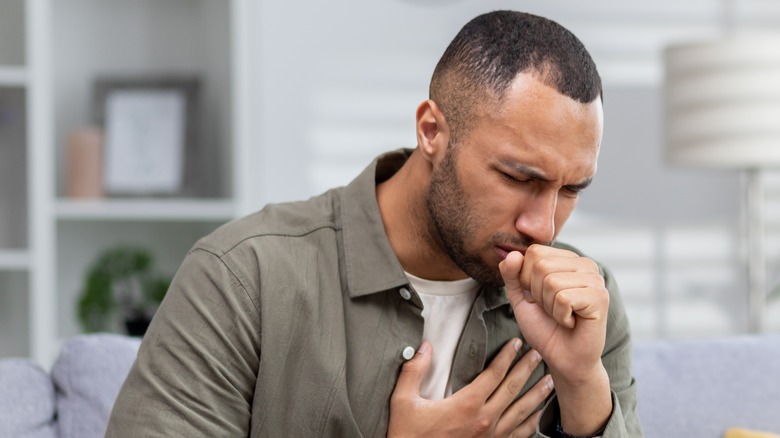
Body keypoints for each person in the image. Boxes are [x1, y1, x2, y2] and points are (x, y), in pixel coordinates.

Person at [106, 10, 642, 438]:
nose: (544, 227)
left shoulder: (584, 304)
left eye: (570, 189)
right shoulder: (244, 277)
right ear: (432, 130)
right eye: (518, 176)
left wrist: (582, 385)